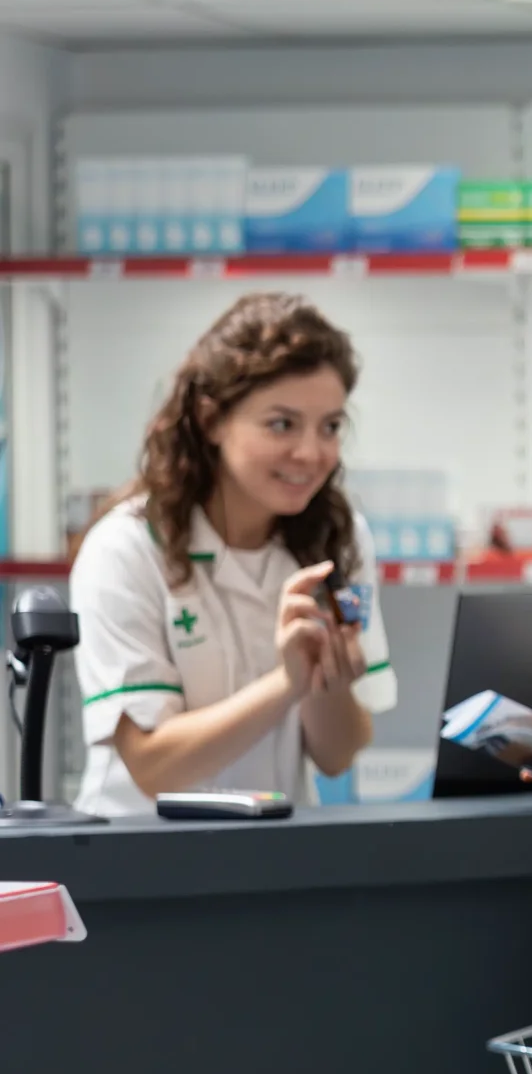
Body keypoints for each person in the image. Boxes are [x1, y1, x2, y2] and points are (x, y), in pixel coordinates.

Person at [69, 293, 394, 816]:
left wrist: (323, 679)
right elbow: (153, 766)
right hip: (139, 855)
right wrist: (286, 682)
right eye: (282, 424)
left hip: (273, 851)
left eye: (330, 426)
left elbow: (337, 755)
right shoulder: (126, 549)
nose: (312, 453)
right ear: (211, 419)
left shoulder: (339, 536)